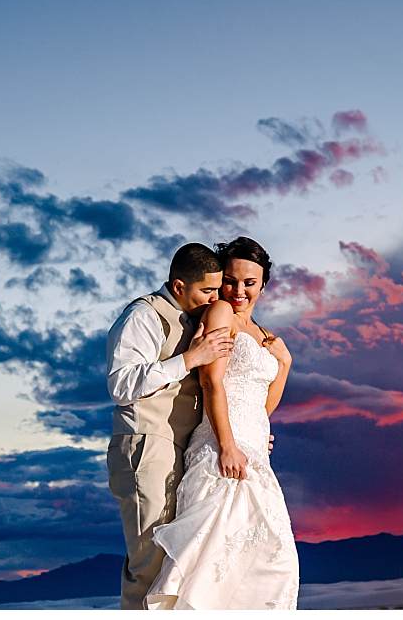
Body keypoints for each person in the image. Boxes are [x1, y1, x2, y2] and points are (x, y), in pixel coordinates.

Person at [145, 236, 300, 610]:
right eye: (230, 281)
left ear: (263, 285)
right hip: (221, 449)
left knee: (272, 562)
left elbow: (262, 406)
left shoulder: (263, 334)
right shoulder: (220, 313)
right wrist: (227, 445)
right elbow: (211, 382)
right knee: (213, 565)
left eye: (250, 282)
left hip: (256, 455)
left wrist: (285, 364)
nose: (239, 291)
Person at [105, 243, 237, 610]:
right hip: (145, 444)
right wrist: (190, 358)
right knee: (149, 562)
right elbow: (121, 385)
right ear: (179, 286)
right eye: (207, 290)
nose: (216, 298)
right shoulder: (143, 316)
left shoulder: (194, 319)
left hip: (180, 448)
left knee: (172, 562)